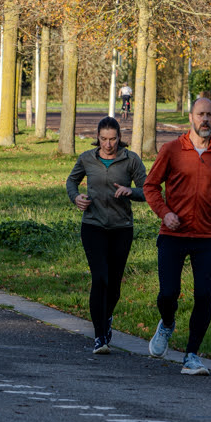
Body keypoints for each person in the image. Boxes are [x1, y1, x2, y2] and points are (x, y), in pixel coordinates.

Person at [144, 97, 211, 375]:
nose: (205, 119)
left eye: (209, 114)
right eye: (201, 114)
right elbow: (151, 186)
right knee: (168, 294)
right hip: (172, 234)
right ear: (191, 117)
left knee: (204, 295)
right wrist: (164, 213)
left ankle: (191, 355)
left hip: (205, 238)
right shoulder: (172, 150)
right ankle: (168, 322)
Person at [66, 116, 148, 354]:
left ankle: (107, 318)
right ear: (97, 137)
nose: (108, 144)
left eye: (112, 139)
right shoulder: (87, 159)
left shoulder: (130, 160)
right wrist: (76, 197)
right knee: (100, 278)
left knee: (113, 285)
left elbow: (149, 190)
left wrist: (130, 191)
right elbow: (72, 182)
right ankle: (100, 336)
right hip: (93, 226)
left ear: (119, 138)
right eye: (103, 139)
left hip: (121, 228)